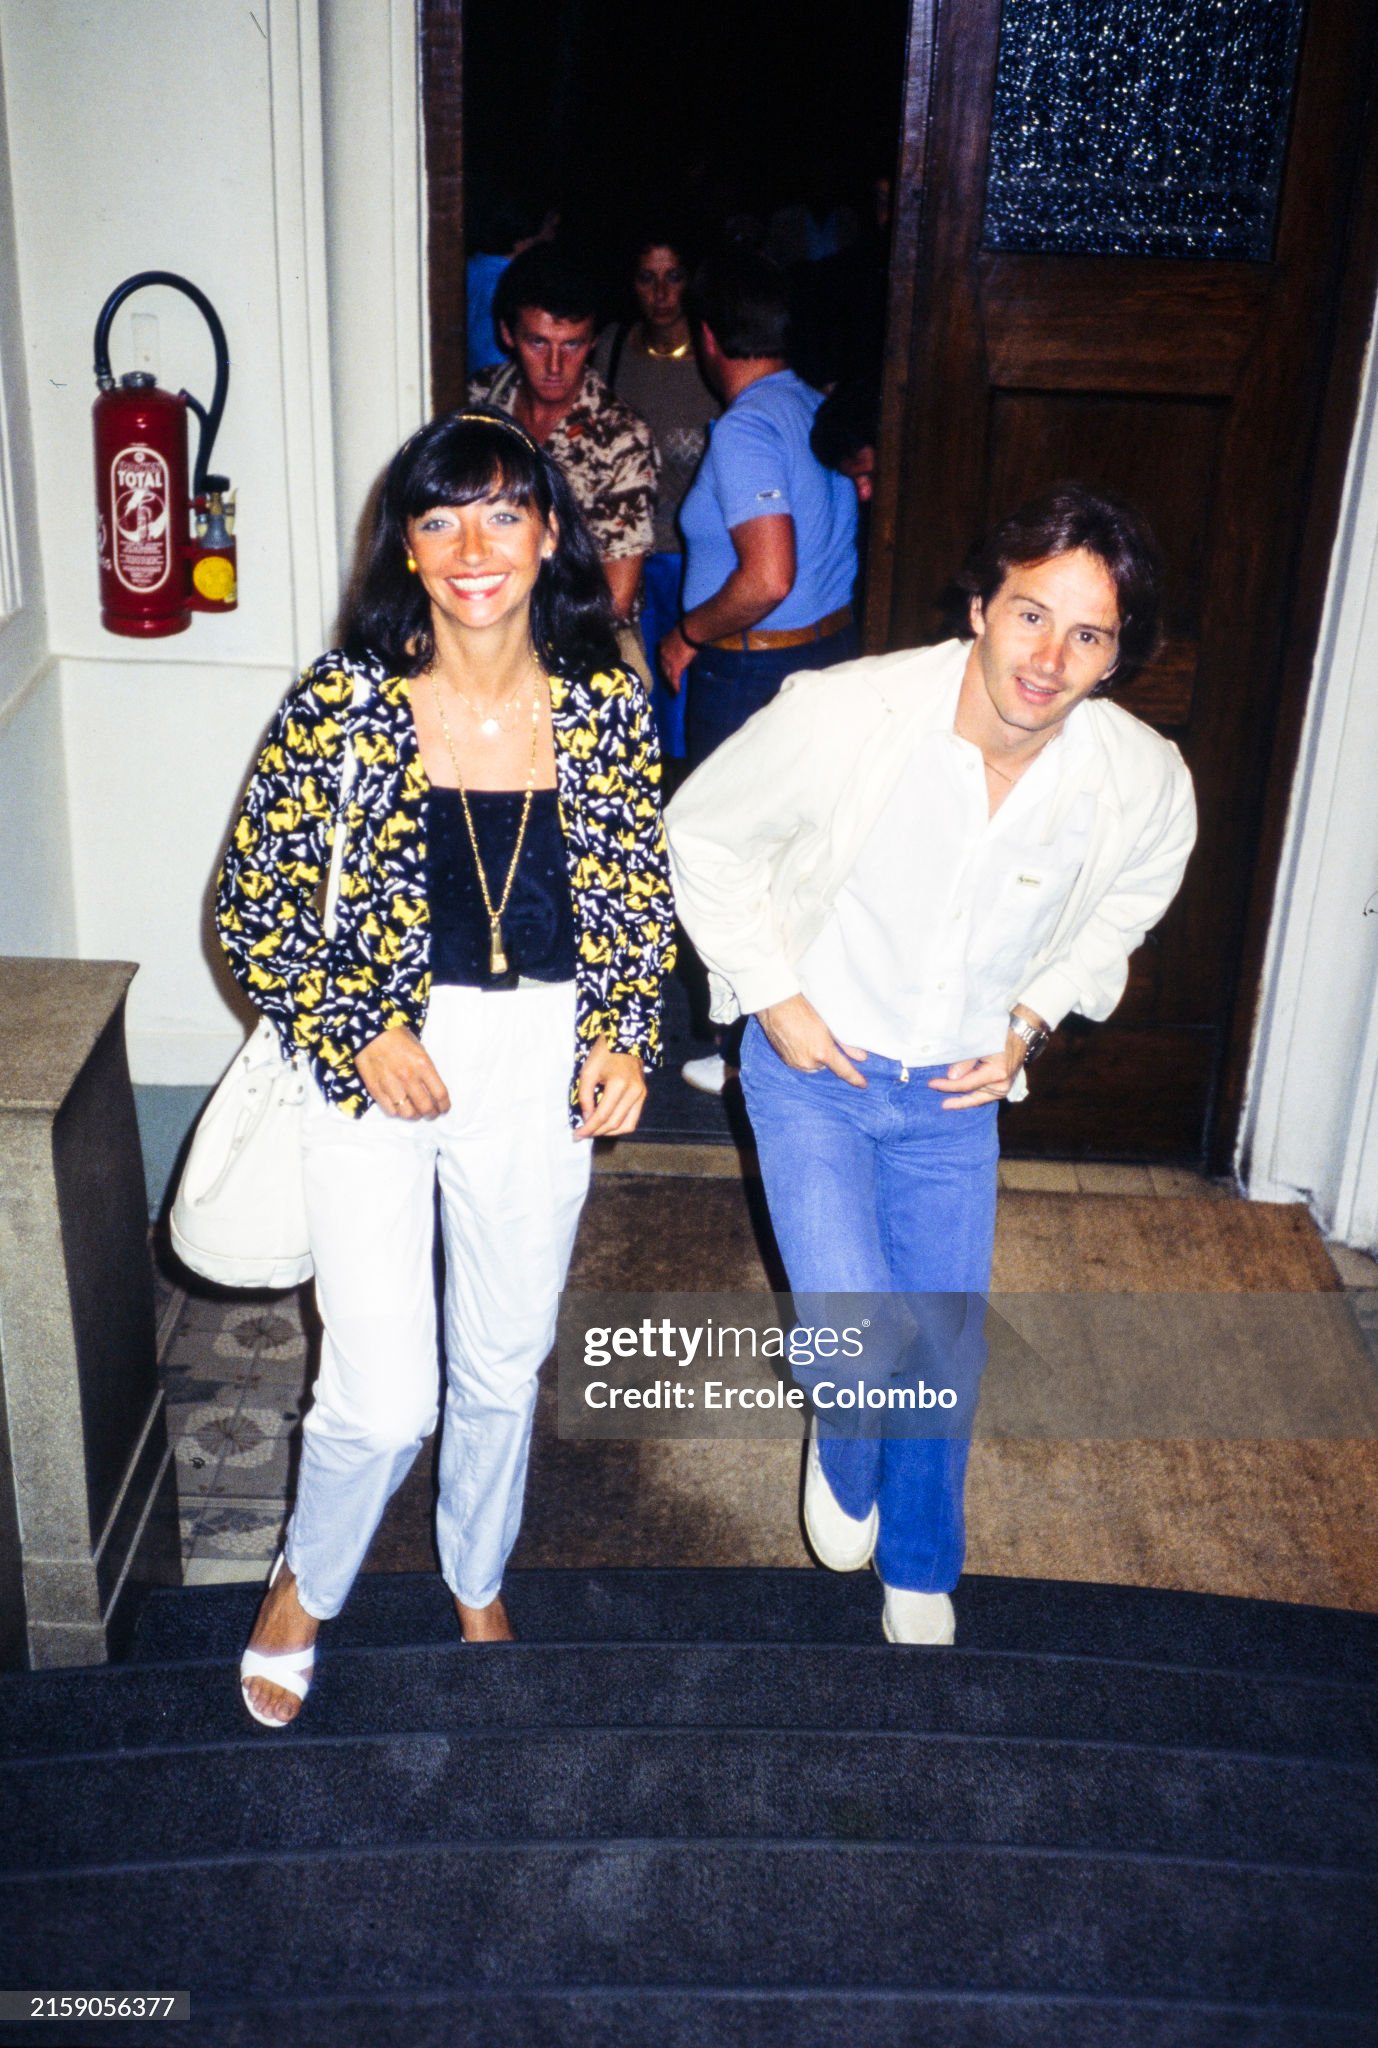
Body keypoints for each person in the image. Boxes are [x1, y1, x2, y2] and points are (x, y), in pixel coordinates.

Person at [665, 484, 1196, 1644]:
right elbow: (703, 834)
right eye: (1029, 614)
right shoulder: (845, 714)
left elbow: (1127, 904)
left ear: (1117, 657)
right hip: (817, 1071)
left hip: (956, 1098)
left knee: (939, 1348)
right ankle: (842, 1423)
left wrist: (1033, 1020)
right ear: (978, 608)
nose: (1049, 657)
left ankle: (921, 1564)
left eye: (1089, 633)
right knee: (862, 1345)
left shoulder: (1140, 779)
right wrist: (775, 993)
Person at [218, 408, 674, 1724]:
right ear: (404, 550)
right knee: (381, 1391)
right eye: (438, 518)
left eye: (500, 514)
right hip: (378, 1059)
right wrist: (361, 1022)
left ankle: (476, 1571)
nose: (472, 545)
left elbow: (636, 898)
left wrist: (619, 1034)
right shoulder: (340, 709)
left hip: (536, 1058)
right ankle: (301, 1589)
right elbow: (253, 905)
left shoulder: (601, 705)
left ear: (546, 536)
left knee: (502, 1357)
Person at [657, 247, 858, 1094]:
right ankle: (784, 1027)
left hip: (751, 675)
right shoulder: (817, 407)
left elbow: (766, 576)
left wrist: (687, 635)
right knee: (802, 855)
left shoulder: (744, 428)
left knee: (722, 852)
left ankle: (736, 1047)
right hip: (828, 657)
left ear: (709, 338)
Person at [468, 245, 659, 633]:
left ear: (592, 342)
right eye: (538, 342)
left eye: (571, 344)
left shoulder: (621, 438)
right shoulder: (479, 402)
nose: (555, 366)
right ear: (507, 334)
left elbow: (615, 601)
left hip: (585, 653)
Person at [593, 230, 720, 767]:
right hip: (628, 558)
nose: (661, 294)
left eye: (673, 278)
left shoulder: (714, 358)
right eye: (648, 279)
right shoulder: (611, 350)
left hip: (695, 558)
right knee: (631, 690)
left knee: (689, 695)